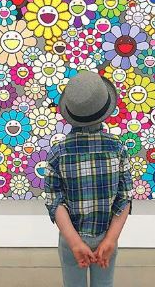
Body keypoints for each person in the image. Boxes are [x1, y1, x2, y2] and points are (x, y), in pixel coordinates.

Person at [44, 70, 133, 287]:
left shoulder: (58, 152)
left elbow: (54, 201)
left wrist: (75, 242)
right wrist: (111, 239)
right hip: (106, 236)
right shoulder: (117, 149)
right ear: (106, 108)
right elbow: (124, 199)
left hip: (71, 238)